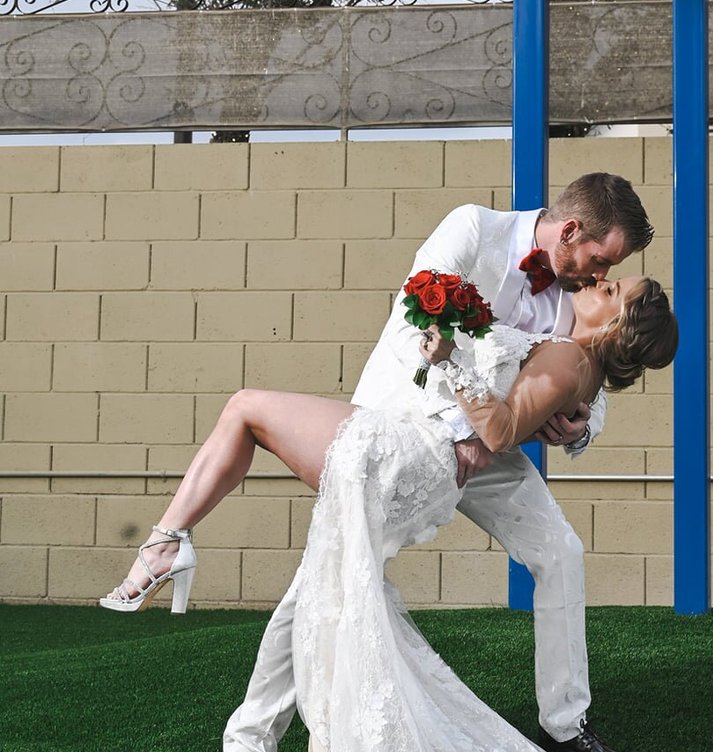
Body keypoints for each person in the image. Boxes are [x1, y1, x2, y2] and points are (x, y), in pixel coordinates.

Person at [102, 173, 656, 752]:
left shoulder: (579, 296)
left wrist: (579, 423)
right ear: (569, 230)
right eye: (600, 258)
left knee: (560, 551)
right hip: (409, 429)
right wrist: (463, 426)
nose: (600, 275)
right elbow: (411, 324)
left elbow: (587, 368)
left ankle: (566, 726)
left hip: (491, 451)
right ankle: (251, 734)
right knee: (330, 578)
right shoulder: (474, 228)